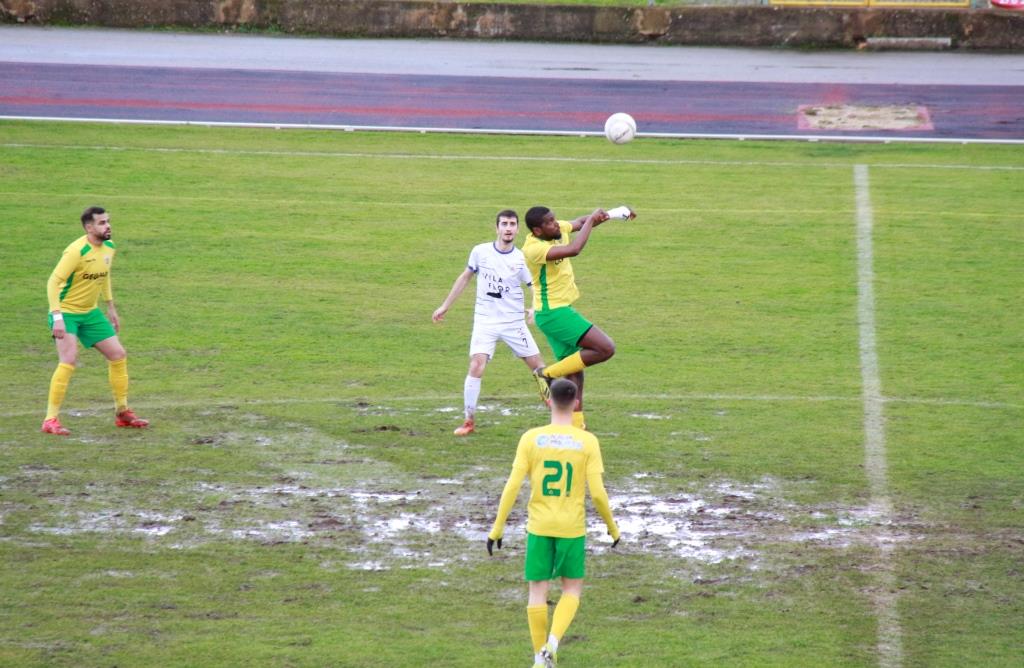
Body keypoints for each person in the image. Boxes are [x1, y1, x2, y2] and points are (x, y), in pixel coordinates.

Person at [487, 377, 620, 668]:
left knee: (537, 592)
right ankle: (553, 644)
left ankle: (539, 659)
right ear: (576, 404)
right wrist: (612, 528)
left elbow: (512, 486)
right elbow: (597, 494)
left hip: (539, 526)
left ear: (549, 401)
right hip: (571, 528)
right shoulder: (588, 441)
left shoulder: (530, 438)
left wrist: (497, 527)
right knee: (572, 590)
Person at [432, 209, 546, 436]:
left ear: (517, 229)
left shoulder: (521, 258)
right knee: (476, 364)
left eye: (512, 224)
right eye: (504, 224)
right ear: (497, 228)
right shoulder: (480, 252)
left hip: (514, 323)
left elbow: (535, 286)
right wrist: (445, 305)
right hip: (486, 322)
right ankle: (468, 420)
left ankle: (559, 414)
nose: (508, 228)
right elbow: (465, 277)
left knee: (540, 369)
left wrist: (535, 308)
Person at [522, 205, 635, 429]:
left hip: (557, 311)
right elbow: (574, 249)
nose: (556, 224)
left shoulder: (555, 230)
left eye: (554, 219)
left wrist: (613, 214)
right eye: (550, 222)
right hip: (554, 313)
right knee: (605, 348)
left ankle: (576, 425)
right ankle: (546, 373)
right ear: (537, 230)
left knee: (574, 370)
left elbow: (580, 222)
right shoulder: (533, 249)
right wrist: (592, 221)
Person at [41, 206, 149, 435]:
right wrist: (57, 317)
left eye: (108, 221)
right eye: (102, 223)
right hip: (66, 312)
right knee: (68, 359)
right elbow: (53, 282)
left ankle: (122, 413)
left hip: (90, 312)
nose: (107, 226)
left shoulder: (109, 247)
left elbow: (104, 276)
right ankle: (50, 420)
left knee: (118, 355)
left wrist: (110, 307)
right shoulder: (76, 251)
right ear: (89, 227)